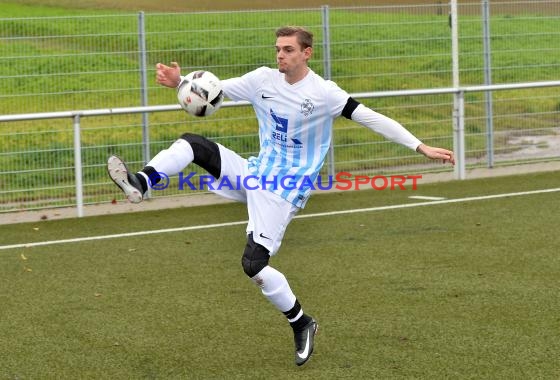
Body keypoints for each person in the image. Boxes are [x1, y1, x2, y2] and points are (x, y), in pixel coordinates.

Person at [107, 25, 455, 366]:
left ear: (307, 53)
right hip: (256, 173)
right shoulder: (262, 80)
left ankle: (301, 321)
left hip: (284, 190)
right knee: (192, 143)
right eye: (277, 49)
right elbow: (213, 91)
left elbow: (370, 118)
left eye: (288, 50)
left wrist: (419, 146)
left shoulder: (324, 93)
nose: (280, 56)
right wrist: (181, 84)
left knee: (253, 264)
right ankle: (141, 182)